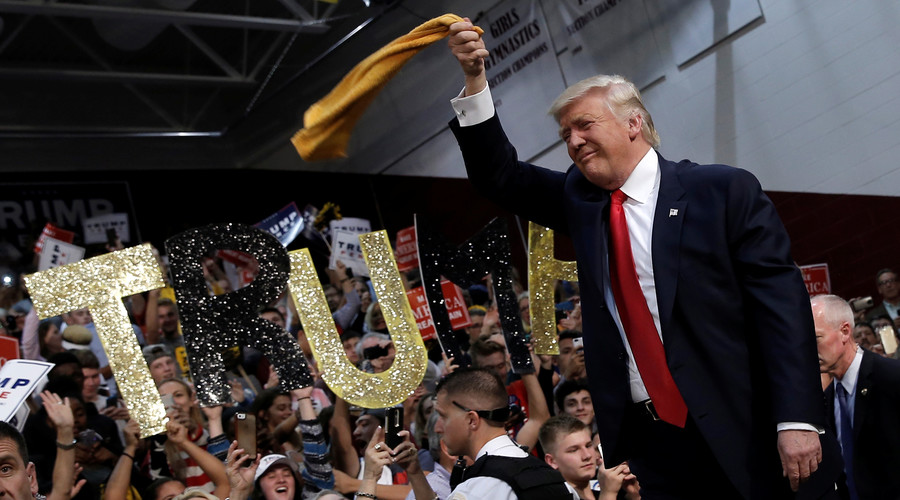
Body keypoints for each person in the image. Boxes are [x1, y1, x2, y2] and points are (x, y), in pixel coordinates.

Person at [446, 20, 837, 499]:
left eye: (585, 125)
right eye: (565, 133)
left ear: (634, 123)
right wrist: (474, 80)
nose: (573, 141)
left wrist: (796, 417)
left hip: (747, 424)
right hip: (652, 444)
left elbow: (781, 306)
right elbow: (500, 177)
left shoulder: (721, 191)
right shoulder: (581, 200)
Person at [433, 368, 574, 499]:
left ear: (472, 420)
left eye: (443, 416)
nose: (437, 428)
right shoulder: (558, 481)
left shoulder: (475, 491)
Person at [811, 294, 900, 499]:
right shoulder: (827, 398)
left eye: (815, 338)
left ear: (844, 332)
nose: (808, 348)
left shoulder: (891, 377)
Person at [539, 415, 638, 500]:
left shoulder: (617, 492)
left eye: (588, 445)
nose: (587, 455)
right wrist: (608, 494)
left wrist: (635, 495)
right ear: (552, 461)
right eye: (574, 450)